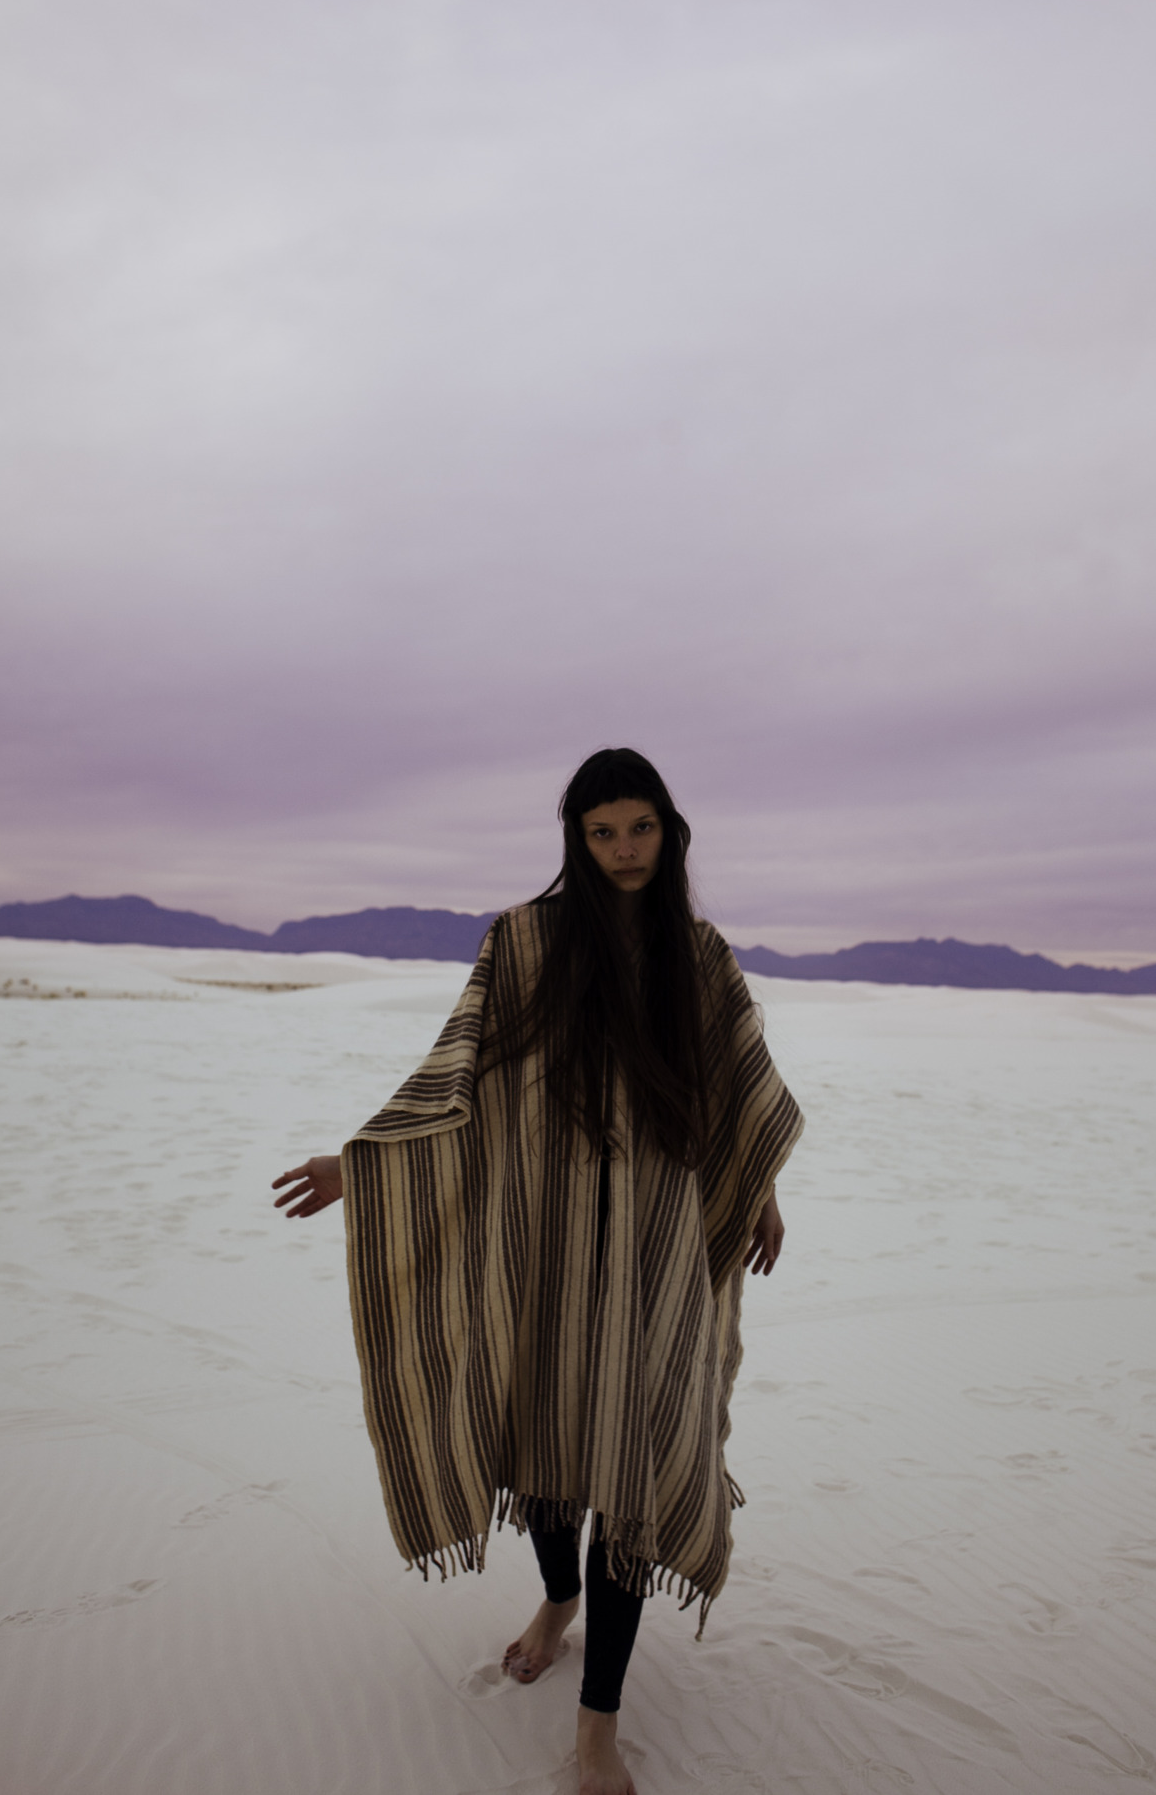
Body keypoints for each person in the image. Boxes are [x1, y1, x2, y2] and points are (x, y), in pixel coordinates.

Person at [273, 748, 803, 1795]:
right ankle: (555, 1597)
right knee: (550, 1436)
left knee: (633, 1460)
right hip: (548, 1234)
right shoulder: (524, 940)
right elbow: (460, 1073)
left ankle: (595, 1726)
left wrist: (757, 1185)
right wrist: (364, 1162)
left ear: (669, 828)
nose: (621, 850)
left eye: (638, 827)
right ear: (575, 835)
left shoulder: (700, 954)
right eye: (600, 830)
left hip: (655, 1239)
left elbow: (729, 1093)